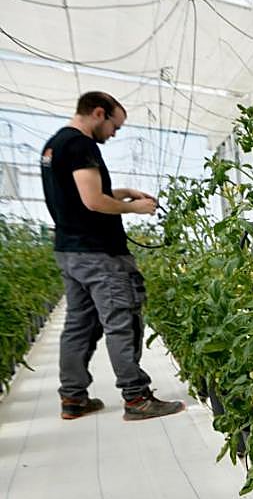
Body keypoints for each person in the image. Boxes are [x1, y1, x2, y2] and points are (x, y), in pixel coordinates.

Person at [40, 90, 184, 421]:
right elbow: (93, 201)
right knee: (122, 322)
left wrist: (124, 192)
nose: (114, 133)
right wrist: (134, 208)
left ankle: (72, 398)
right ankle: (136, 398)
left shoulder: (55, 145)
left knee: (79, 325)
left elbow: (78, 196)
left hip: (70, 251)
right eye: (115, 126)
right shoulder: (80, 145)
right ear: (99, 113)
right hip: (100, 254)